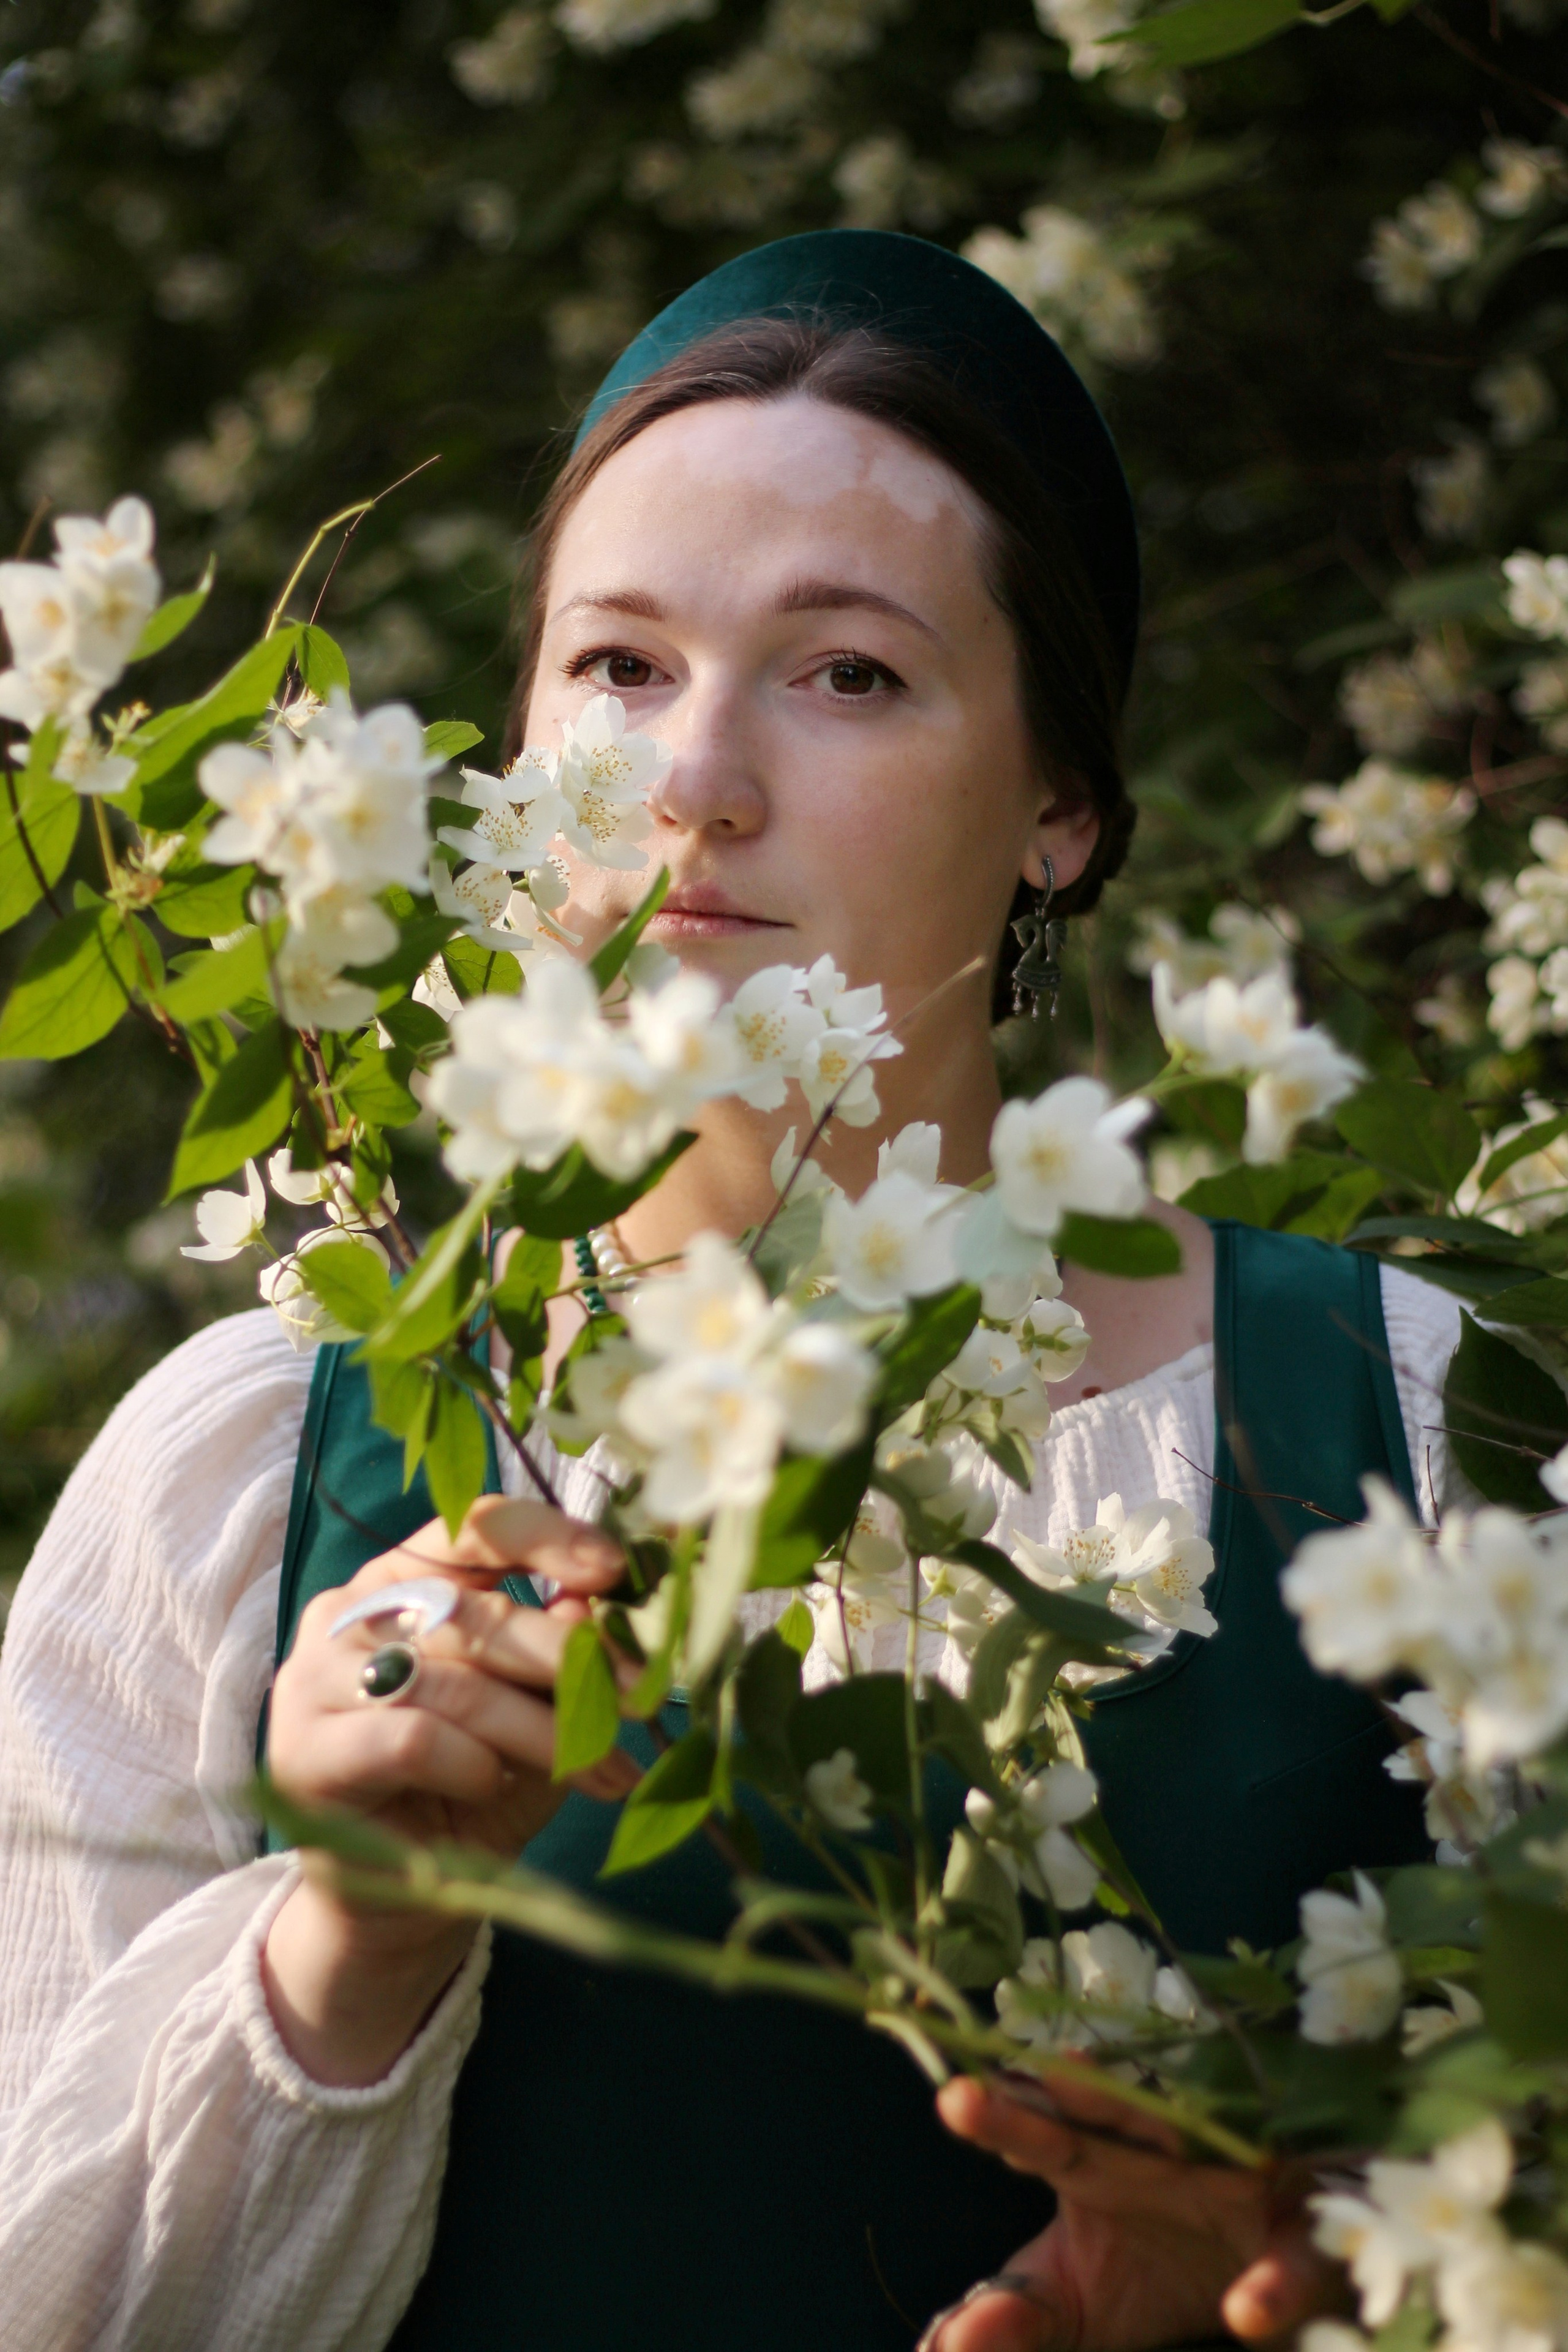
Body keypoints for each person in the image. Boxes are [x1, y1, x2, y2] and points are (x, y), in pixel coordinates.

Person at [0, 232, 1464, 2352]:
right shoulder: (252, 1475)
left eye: (849, 670)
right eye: (614, 668)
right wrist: (348, 1945)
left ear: (1060, 803)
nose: (693, 780)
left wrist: (1314, 2281)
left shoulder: (1392, 1419)